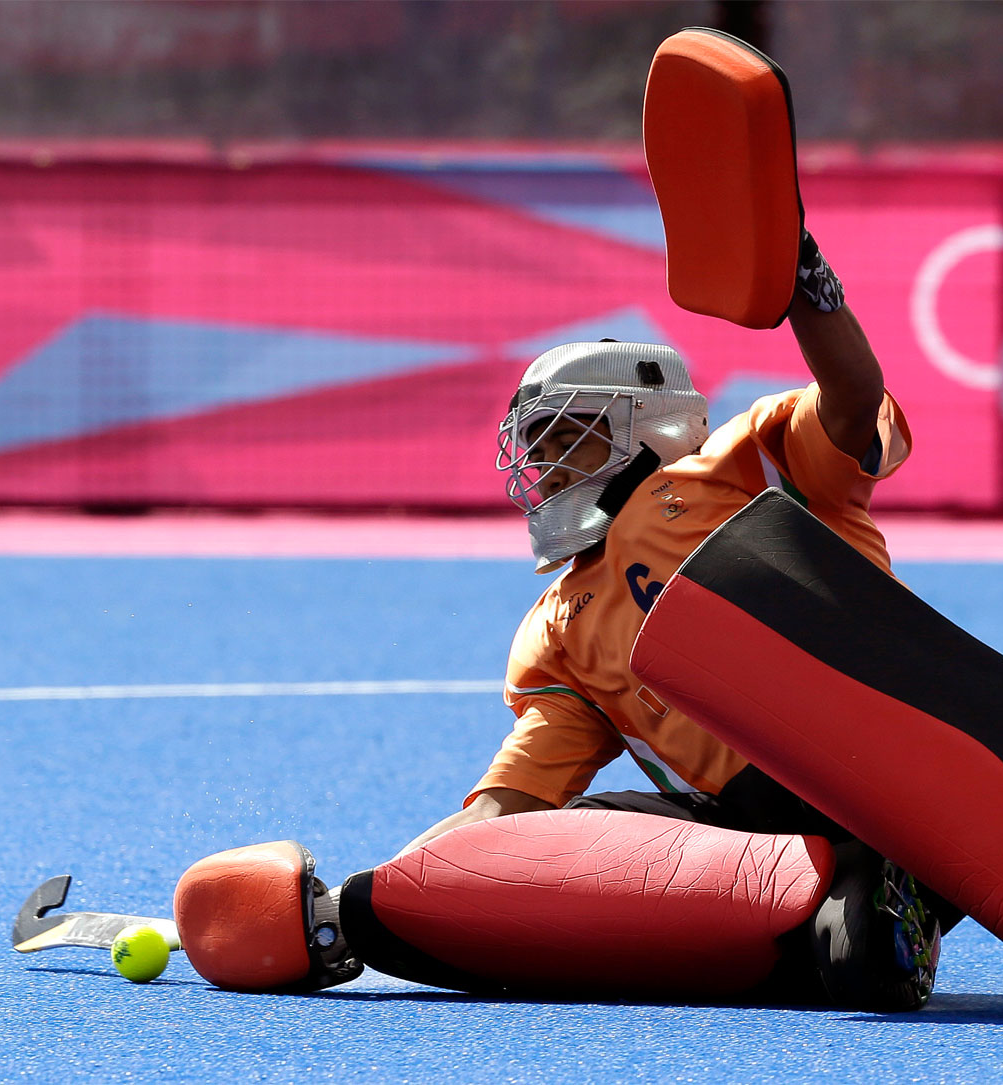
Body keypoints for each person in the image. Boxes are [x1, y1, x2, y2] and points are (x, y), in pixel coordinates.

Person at [400, 231, 944, 1010]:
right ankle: (869, 899)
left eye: (570, 437)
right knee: (565, 839)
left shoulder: (743, 463)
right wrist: (388, 888)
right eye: (537, 446)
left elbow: (854, 404)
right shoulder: (557, 626)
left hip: (880, 747)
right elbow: (514, 800)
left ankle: (995, 872)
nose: (547, 466)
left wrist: (808, 288)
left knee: (849, 956)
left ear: (646, 422)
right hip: (764, 832)